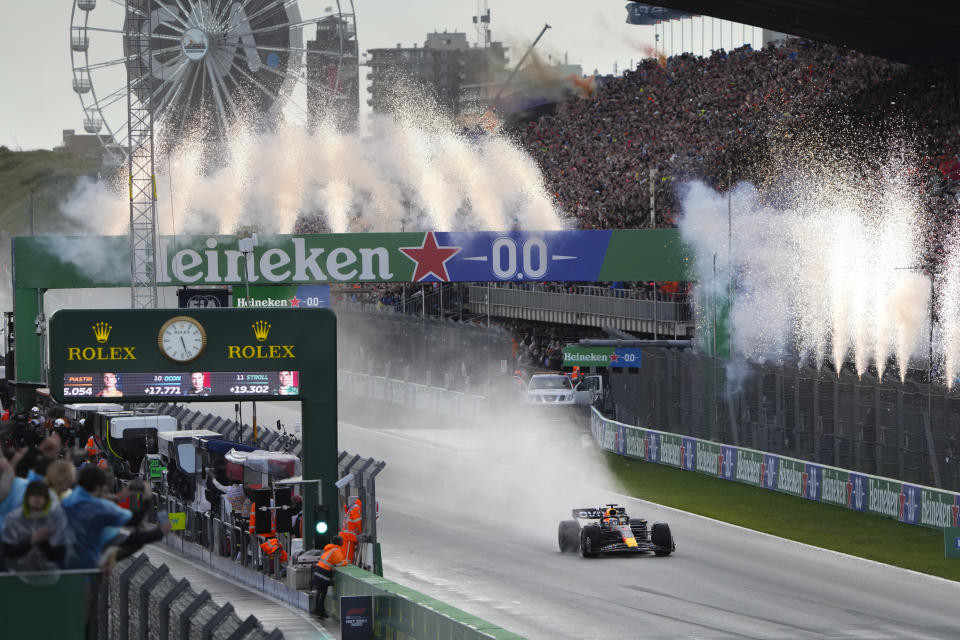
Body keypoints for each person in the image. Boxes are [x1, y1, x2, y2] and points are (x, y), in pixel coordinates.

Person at [60, 466, 150, 569]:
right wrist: (147, 499)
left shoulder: (75, 496)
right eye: (106, 480)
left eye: (111, 478)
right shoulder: (99, 507)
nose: (109, 483)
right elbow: (134, 523)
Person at [1, 481, 70, 571]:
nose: (37, 498)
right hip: (17, 576)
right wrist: (31, 541)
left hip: (49, 575)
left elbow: (59, 555)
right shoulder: (13, 519)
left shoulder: (56, 519)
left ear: (47, 499)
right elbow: (8, 552)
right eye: (33, 494)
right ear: (26, 498)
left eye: (41, 495)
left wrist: (43, 543)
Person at [311, 535, 347, 618]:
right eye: (342, 541)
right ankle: (320, 611)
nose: (343, 543)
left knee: (319, 592)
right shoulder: (336, 550)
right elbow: (340, 563)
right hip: (324, 574)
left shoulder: (329, 549)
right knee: (322, 593)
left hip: (318, 571)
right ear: (339, 542)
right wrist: (346, 562)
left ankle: (318, 609)